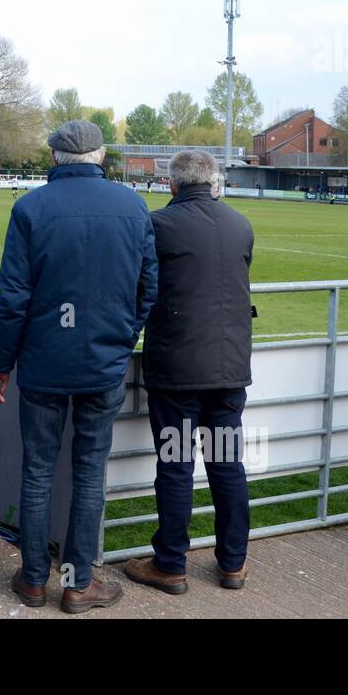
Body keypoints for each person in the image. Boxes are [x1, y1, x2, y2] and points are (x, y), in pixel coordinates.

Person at [0, 120, 158, 614]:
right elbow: (149, 288)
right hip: (103, 362)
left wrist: (0, 363)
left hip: (44, 362)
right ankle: (78, 583)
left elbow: (13, 298)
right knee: (88, 472)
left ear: (56, 158)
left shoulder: (32, 207)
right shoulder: (131, 205)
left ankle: (36, 579)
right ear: (101, 157)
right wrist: (123, 337)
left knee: (39, 470)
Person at [122, 149, 255, 595]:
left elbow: (140, 284)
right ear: (213, 182)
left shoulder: (160, 224)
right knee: (226, 464)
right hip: (229, 369)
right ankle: (232, 564)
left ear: (172, 184)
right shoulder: (240, 224)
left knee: (177, 467)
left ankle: (171, 565)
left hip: (179, 370)